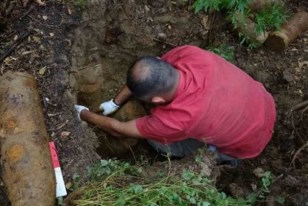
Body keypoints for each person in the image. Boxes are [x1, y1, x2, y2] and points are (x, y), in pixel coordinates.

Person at [74, 45, 276, 166]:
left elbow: (120, 131)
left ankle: (225, 160)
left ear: (157, 101)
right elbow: (147, 73)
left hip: (246, 146)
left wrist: (84, 114)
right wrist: (114, 103)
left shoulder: (179, 119)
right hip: (263, 102)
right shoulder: (192, 55)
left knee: (158, 141)